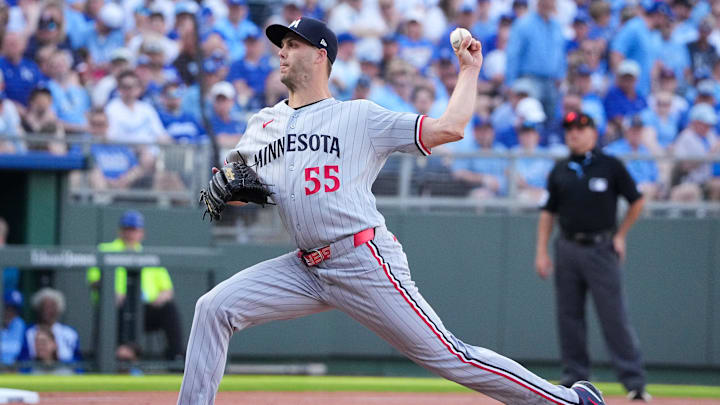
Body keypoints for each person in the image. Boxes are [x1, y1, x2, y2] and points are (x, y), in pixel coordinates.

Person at [177, 17, 605, 405]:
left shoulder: (359, 116)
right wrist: (226, 189)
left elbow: (449, 129)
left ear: (321, 54)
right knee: (214, 308)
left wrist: (470, 71)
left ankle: (567, 401)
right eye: (281, 44)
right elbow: (239, 188)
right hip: (304, 267)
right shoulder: (262, 123)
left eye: (292, 43)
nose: (282, 52)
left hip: (361, 259)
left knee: (450, 356)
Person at [534, 112, 650, 402]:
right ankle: (576, 380)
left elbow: (637, 201)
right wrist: (541, 251)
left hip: (601, 248)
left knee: (614, 317)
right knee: (569, 317)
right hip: (568, 248)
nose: (573, 133)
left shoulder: (609, 166)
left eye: (580, 128)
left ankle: (634, 383)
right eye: (569, 129)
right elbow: (548, 212)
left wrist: (620, 235)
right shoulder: (560, 169)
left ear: (593, 132)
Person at [87, 210, 183, 361]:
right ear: (120, 231)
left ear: (141, 233)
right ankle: (122, 354)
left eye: (134, 230)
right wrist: (110, 292)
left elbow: (167, 290)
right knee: (121, 305)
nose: (130, 234)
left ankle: (176, 357)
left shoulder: (149, 254)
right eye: (127, 229)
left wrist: (161, 297)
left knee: (169, 308)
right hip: (116, 309)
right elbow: (94, 280)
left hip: (145, 310)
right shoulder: (105, 249)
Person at [20, 288, 81, 365]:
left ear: (58, 309)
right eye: (44, 306)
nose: (47, 310)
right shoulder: (29, 332)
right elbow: (23, 360)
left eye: (52, 306)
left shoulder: (70, 333)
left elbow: (78, 361)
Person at [1, 290, 25, 366]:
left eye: (14, 309)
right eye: (7, 308)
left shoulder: (20, 325)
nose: (10, 312)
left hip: (15, 372)